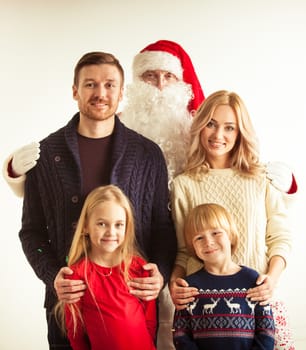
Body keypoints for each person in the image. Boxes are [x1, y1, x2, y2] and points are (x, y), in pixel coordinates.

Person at [18, 51, 176, 349]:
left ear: (121, 92)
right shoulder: (45, 155)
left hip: (130, 308)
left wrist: (161, 273)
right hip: (68, 307)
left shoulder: (147, 154)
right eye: (90, 84)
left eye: (109, 85)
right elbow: (32, 231)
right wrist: (53, 277)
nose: (100, 93)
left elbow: (162, 227)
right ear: (75, 91)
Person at [170, 90, 294, 349]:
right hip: (206, 314)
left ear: (240, 133)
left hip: (258, 305)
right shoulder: (184, 184)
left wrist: (271, 278)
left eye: (229, 128)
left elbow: (280, 236)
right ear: (200, 125)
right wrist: (175, 282)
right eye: (211, 124)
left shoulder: (261, 179)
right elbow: (183, 249)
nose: (218, 135)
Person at [55, 185, 157, 350]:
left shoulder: (140, 268)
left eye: (118, 225)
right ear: (86, 226)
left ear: (127, 227)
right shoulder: (76, 276)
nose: (111, 232)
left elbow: (150, 322)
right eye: (102, 224)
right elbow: (76, 333)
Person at [173, 203, 275, 350]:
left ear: (231, 236)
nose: (208, 242)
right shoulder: (188, 288)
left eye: (216, 233)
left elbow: (266, 330)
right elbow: (181, 334)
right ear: (192, 247)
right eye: (199, 238)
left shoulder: (253, 280)